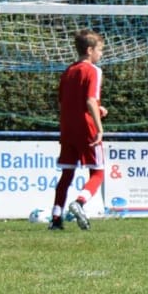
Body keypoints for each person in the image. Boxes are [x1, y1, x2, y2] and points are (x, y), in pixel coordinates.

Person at [49, 29, 108, 231]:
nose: (101, 54)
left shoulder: (68, 71)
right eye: (100, 50)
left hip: (68, 128)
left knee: (66, 175)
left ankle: (56, 219)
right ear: (90, 50)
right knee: (98, 173)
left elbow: (63, 103)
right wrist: (99, 126)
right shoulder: (93, 71)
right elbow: (90, 100)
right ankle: (80, 202)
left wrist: (96, 108)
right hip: (87, 128)